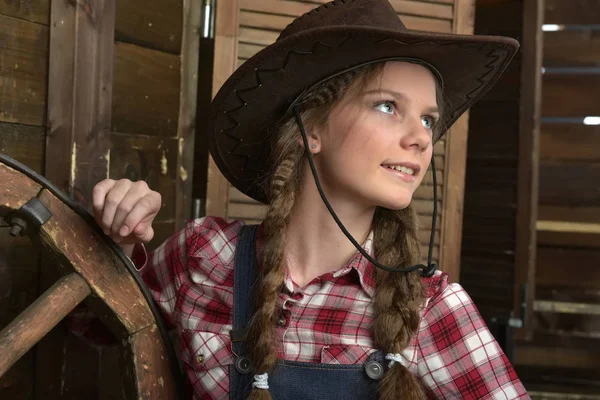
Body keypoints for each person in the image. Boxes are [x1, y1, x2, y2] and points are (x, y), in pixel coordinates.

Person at [89, 0, 528, 398]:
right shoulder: (204, 256)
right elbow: (92, 329)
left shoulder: (429, 307)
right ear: (310, 130)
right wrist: (118, 245)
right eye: (388, 106)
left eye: (429, 119)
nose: (420, 138)